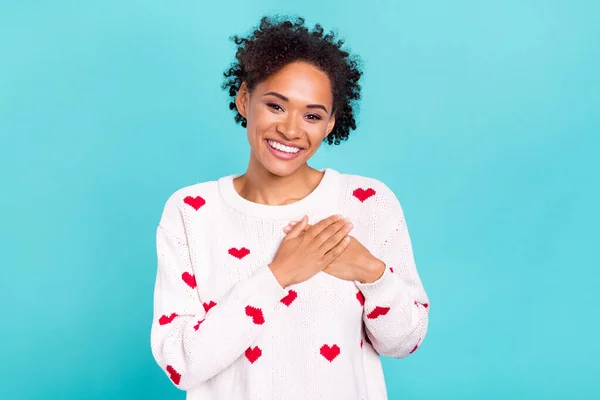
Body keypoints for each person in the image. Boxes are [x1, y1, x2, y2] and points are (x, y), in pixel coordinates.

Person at [150, 15, 430, 400]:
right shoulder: (192, 212)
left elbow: (405, 342)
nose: (291, 130)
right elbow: (180, 362)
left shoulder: (367, 203)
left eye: (312, 115)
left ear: (330, 124)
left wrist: (371, 272)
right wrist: (278, 275)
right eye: (277, 106)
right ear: (245, 99)